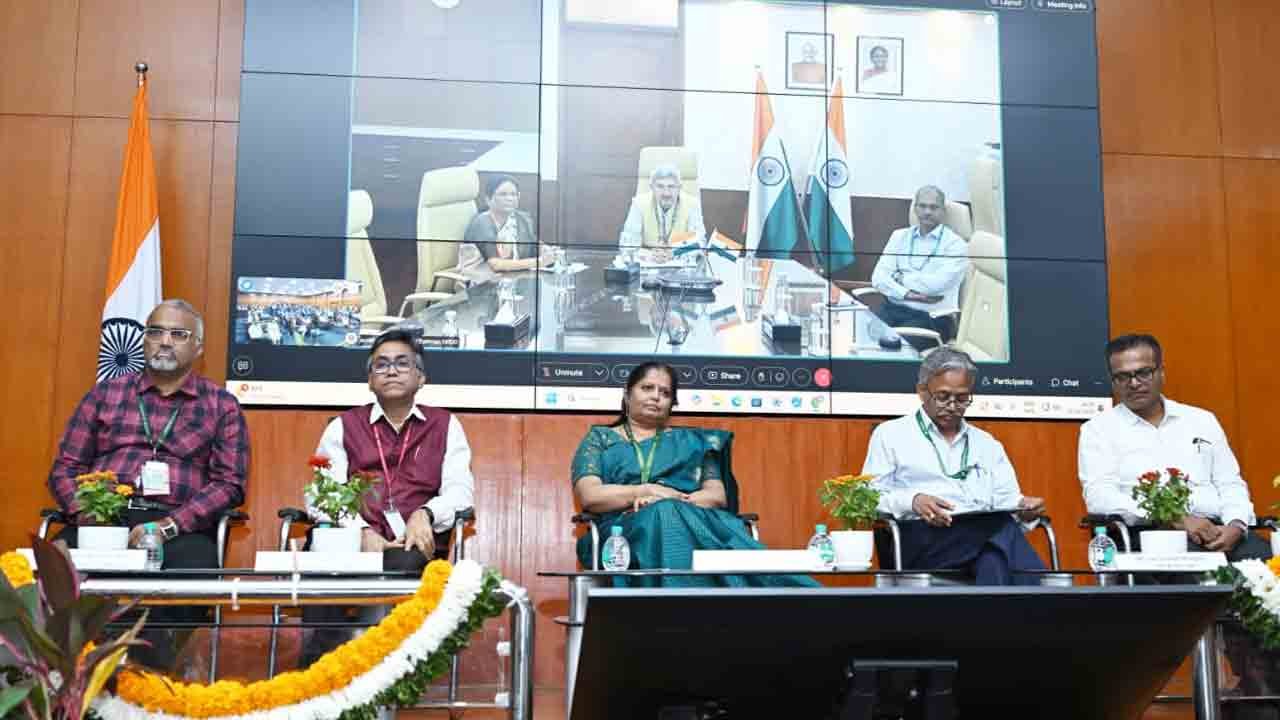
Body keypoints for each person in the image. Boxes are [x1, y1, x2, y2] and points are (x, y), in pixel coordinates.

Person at [48, 299, 250, 669]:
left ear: (198, 348)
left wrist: (168, 526)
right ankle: (66, 674)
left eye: (178, 334)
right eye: (155, 331)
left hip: (177, 526)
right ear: (144, 340)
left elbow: (229, 483)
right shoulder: (105, 394)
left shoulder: (221, 405)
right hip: (102, 520)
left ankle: (149, 674)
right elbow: (64, 468)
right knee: (47, 572)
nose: (165, 341)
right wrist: (90, 518)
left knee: (195, 574)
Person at [301, 328, 476, 665]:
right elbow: (321, 495)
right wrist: (361, 531)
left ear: (421, 377)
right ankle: (322, 675)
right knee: (324, 565)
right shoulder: (343, 426)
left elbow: (460, 491)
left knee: (405, 563)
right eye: (381, 365)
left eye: (402, 363)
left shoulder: (445, 426)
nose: (391, 371)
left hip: (411, 546)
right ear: (370, 380)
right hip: (349, 544)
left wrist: (425, 513)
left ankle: (390, 673)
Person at [571, 361, 815, 588]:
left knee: (668, 512)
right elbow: (590, 495)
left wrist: (669, 500)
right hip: (622, 533)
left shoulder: (695, 443)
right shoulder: (599, 439)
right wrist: (646, 491)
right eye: (647, 388)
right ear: (627, 395)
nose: (656, 396)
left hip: (693, 519)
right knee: (665, 514)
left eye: (665, 393)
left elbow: (716, 496)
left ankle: (798, 599)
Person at [862, 348, 1047, 585]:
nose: (952, 406)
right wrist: (913, 501)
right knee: (1001, 532)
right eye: (943, 396)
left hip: (982, 537)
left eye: (962, 398)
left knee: (993, 556)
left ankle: (1003, 610)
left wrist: (1024, 508)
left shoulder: (987, 444)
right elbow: (868, 498)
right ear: (921, 391)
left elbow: (1006, 500)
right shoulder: (891, 435)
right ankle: (1048, 597)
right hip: (922, 538)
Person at [1078, 334, 1268, 559]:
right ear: (1112, 381)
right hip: (1151, 534)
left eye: (1143, 372)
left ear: (1161, 372)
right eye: (1122, 376)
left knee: (1270, 569)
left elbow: (1230, 483)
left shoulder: (1202, 420)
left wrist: (1236, 525)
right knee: (1205, 572)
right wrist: (1176, 519)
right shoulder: (1098, 430)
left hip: (1220, 530)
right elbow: (1100, 498)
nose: (1134, 383)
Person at [869, 186, 968, 344]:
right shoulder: (899, 236)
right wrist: (908, 294)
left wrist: (900, 278)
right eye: (922, 206)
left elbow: (936, 285)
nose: (927, 212)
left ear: (943, 211)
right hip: (892, 309)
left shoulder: (956, 245)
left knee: (894, 348)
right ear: (915, 209)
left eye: (934, 207)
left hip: (932, 318)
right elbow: (878, 278)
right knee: (866, 338)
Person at [461, 174, 554, 274]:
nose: (509, 198)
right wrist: (539, 262)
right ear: (488, 200)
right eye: (503, 194)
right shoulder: (482, 222)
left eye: (513, 194)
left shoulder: (521, 218)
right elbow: (496, 265)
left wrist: (546, 250)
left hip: (513, 276)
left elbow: (532, 242)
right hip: (481, 280)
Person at [619, 165, 707, 262]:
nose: (666, 193)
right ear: (651, 187)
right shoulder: (639, 203)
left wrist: (674, 253)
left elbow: (700, 243)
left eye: (671, 186)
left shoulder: (692, 204)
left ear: (679, 188)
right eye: (660, 186)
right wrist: (649, 254)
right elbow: (627, 245)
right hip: (648, 261)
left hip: (680, 262)